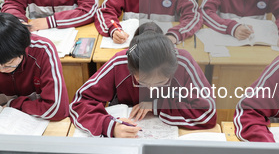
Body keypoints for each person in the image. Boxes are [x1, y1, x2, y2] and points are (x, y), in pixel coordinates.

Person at [70, 22, 216, 137]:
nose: (151, 89)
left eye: (160, 83)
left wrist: (157, 105)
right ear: (131, 68)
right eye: (143, 82)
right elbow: (79, 103)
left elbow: (207, 112)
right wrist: (110, 127)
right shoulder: (120, 62)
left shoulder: (183, 62)